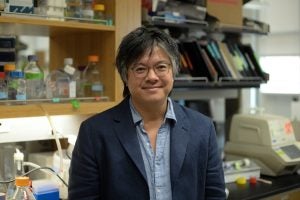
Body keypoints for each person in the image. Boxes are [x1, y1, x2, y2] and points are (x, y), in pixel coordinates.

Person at [68, 26, 226, 200]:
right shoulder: (94, 133)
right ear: (125, 77)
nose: (152, 76)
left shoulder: (202, 128)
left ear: (173, 72)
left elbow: (215, 195)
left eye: (161, 67)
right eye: (140, 69)